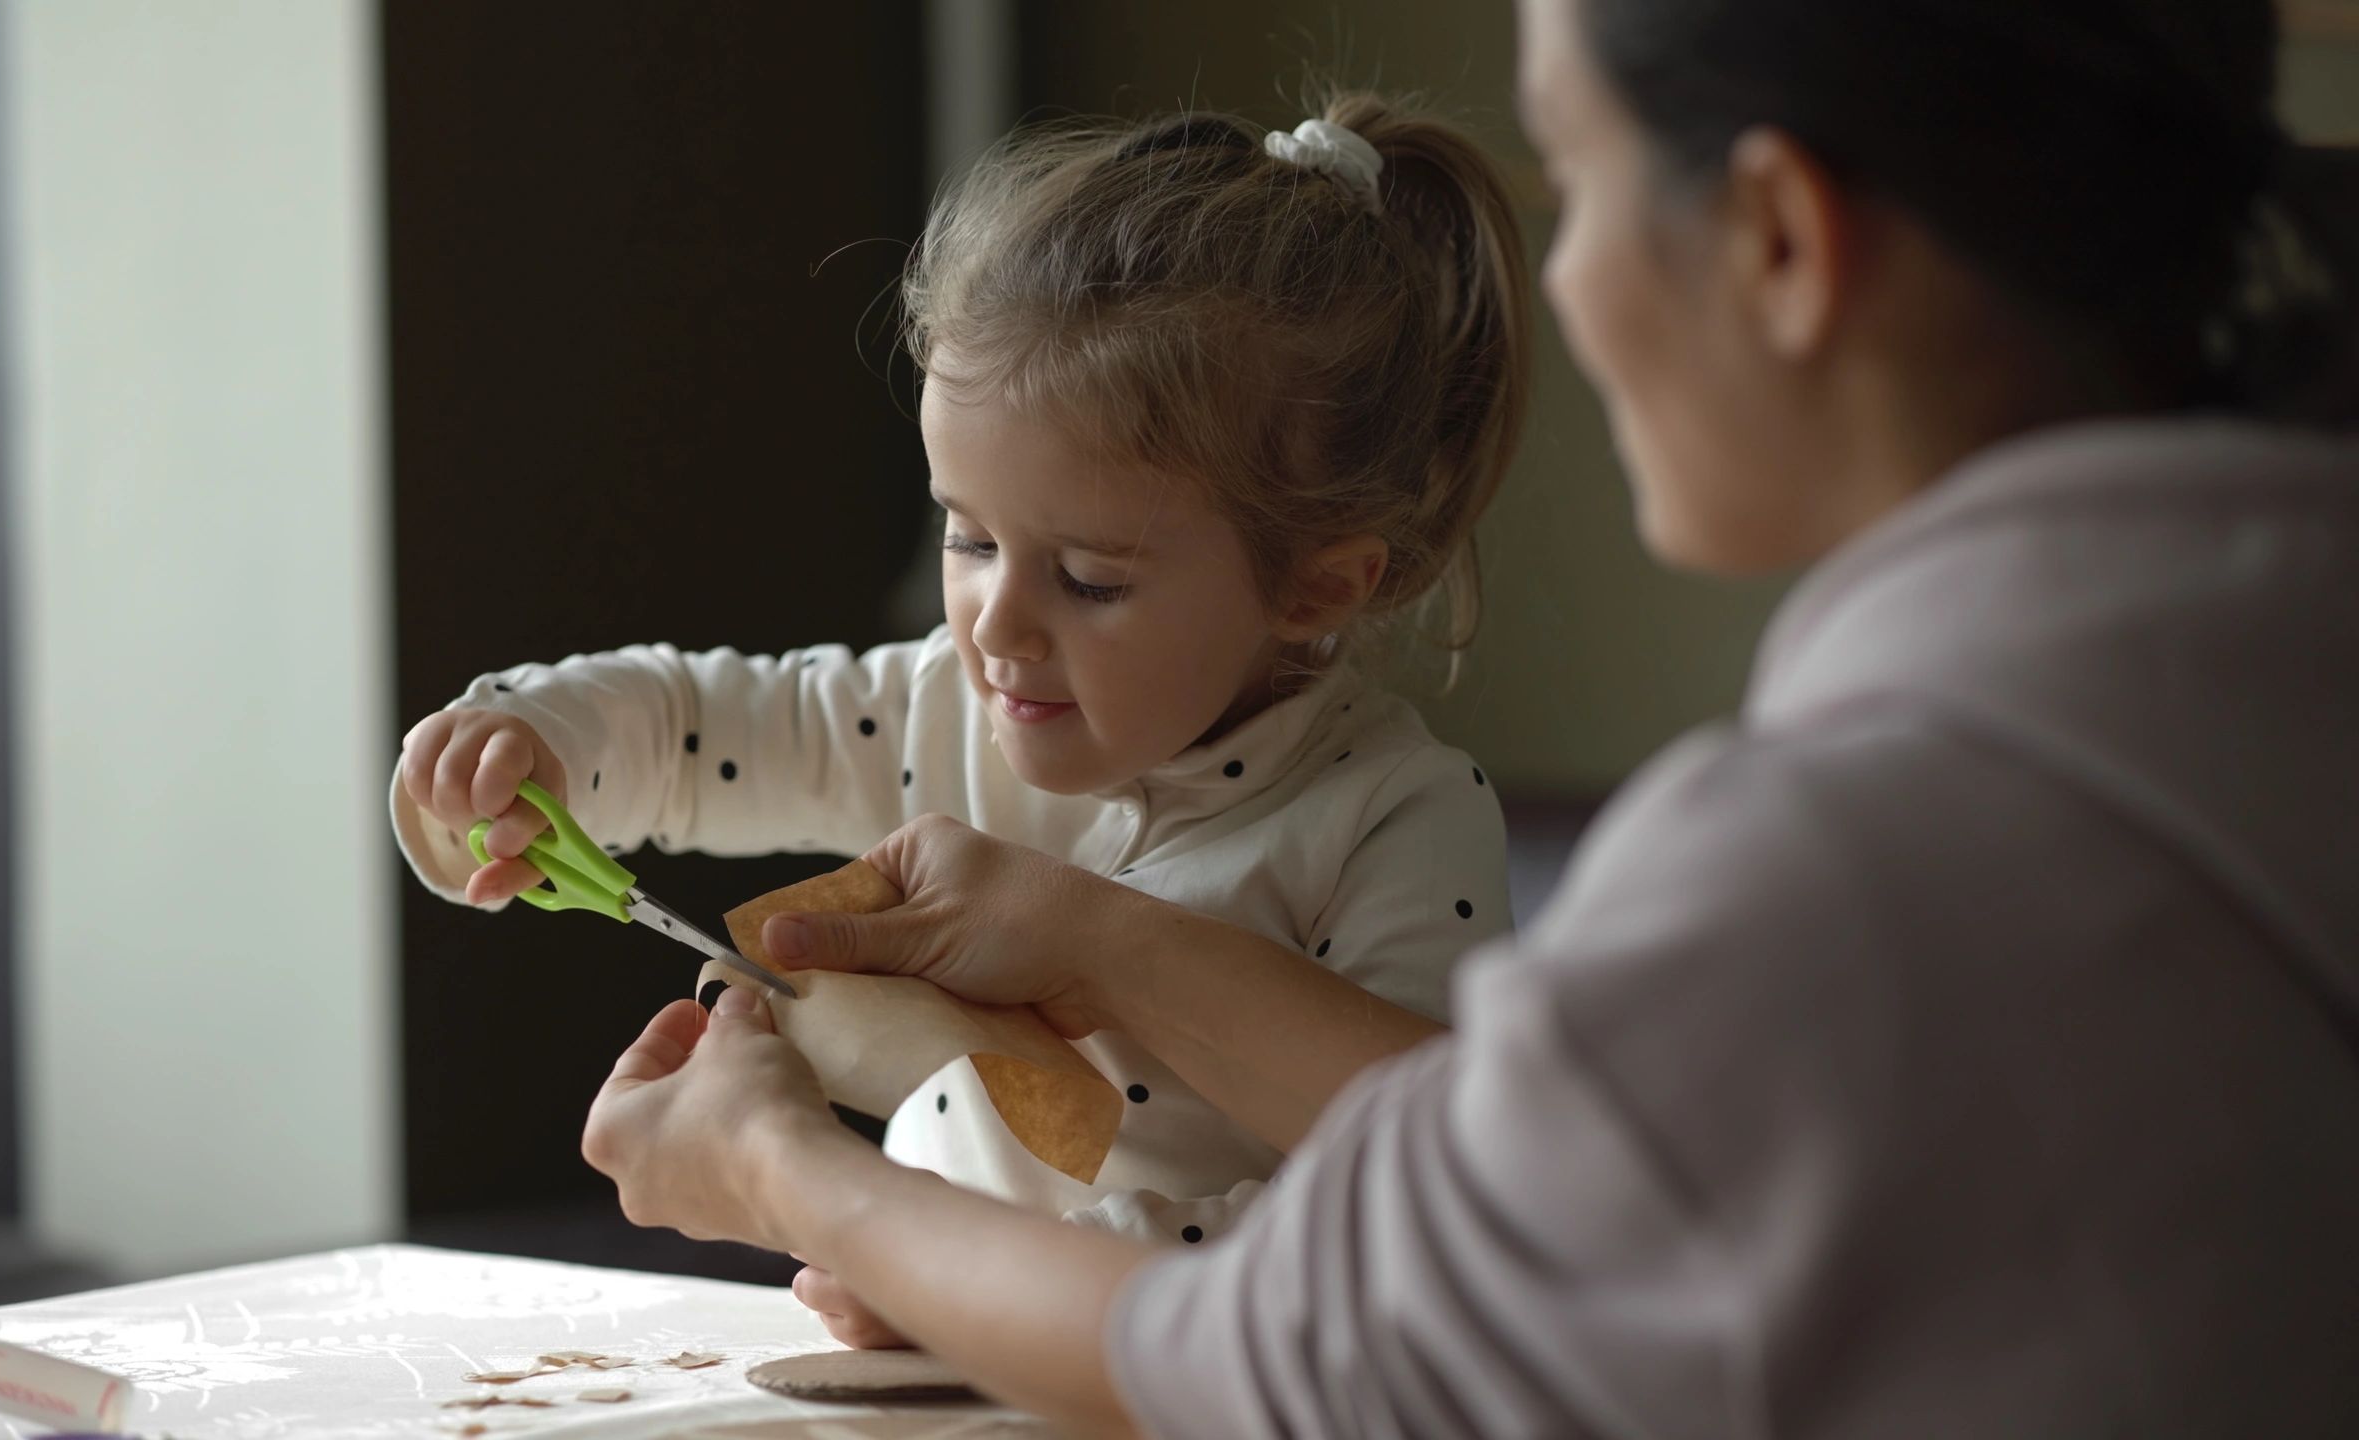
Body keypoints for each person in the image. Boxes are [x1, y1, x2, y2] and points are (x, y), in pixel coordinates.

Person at [573, 0, 2359, 1434]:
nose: (1560, 291)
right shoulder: (2268, 694)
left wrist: (781, 1171)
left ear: (1780, 239)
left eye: (1572, 184)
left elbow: (1286, 1371)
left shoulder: (1832, 874)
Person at [393, 93, 1535, 1342]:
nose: (995, 622)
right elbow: (693, 726)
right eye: (969, 536)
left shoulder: (1395, 819)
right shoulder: (951, 702)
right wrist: (527, 743)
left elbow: (1396, 1213)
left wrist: (979, 1277)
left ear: (1317, 581)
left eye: (1091, 578)